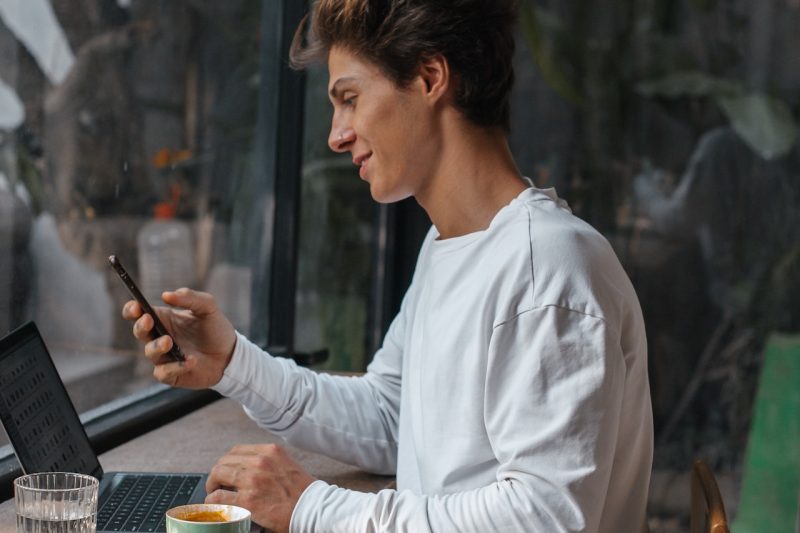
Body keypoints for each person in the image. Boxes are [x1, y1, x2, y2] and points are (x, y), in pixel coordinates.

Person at [123, 0, 654, 531]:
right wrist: (234, 363)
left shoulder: (546, 270)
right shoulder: (452, 245)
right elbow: (391, 418)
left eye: (350, 99)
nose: (336, 135)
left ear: (429, 77)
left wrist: (312, 507)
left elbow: (545, 518)